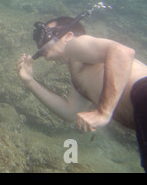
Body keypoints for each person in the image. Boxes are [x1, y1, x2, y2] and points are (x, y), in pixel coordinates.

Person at [16, 16, 147, 171]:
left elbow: (122, 52)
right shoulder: (77, 72)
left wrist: (103, 112)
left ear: (69, 36)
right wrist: (30, 81)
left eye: (46, 33)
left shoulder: (74, 45)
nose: (41, 42)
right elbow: (70, 112)